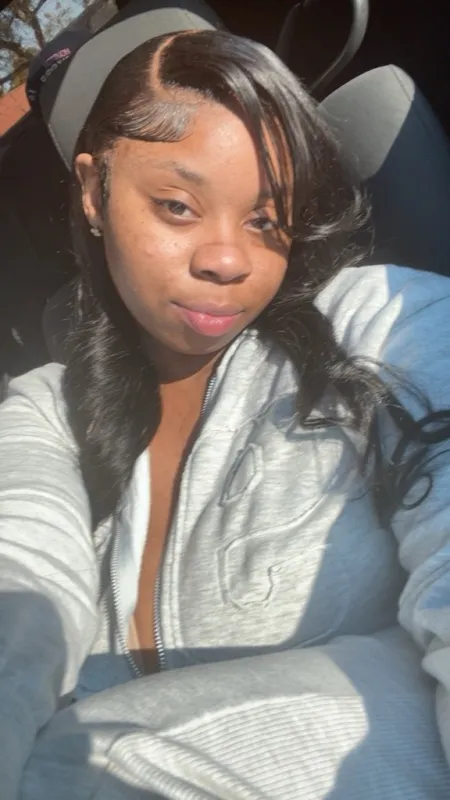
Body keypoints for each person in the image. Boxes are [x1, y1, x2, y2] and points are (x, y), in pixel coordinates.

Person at [2, 5, 450, 799]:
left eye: (267, 218)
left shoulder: (384, 322)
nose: (228, 259)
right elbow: (20, 581)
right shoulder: (47, 411)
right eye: (178, 206)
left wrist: (84, 768)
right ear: (95, 191)